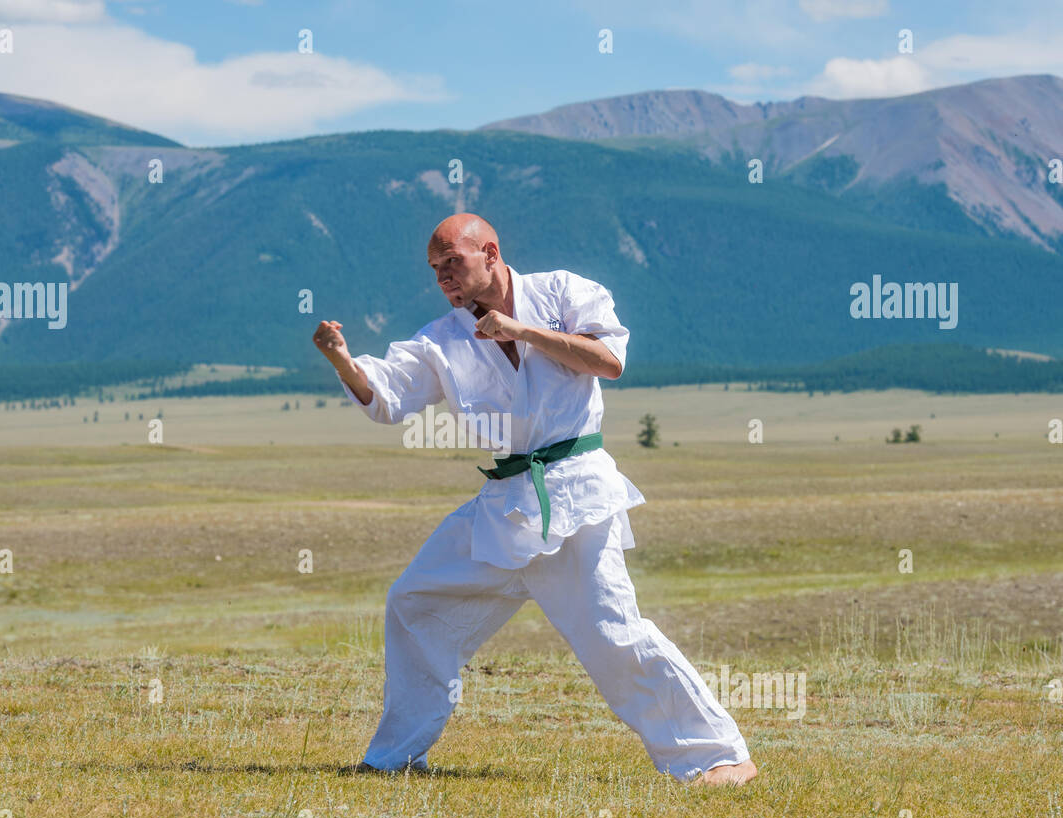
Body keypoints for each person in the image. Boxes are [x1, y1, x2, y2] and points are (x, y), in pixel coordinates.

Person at [311, 213, 756, 785]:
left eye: (454, 261)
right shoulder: (443, 339)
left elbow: (609, 361)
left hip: (573, 495)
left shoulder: (564, 293)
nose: (443, 275)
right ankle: (395, 757)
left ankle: (717, 757)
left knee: (612, 634)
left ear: (490, 252)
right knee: (416, 602)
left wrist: (522, 332)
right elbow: (389, 396)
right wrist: (343, 360)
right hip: (505, 506)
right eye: (435, 268)